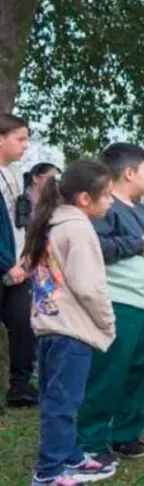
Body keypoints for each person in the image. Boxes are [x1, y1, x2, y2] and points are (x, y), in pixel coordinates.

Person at [77, 143, 144, 462]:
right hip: (118, 303)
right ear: (129, 172)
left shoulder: (140, 211)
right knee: (108, 371)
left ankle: (125, 435)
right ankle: (91, 439)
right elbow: (95, 246)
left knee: (139, 370)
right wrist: (136, 245)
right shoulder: (105, 208)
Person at [23, 160, 119, 486]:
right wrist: (108, 323)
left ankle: (71, 458)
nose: (110, 201)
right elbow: (89, 287)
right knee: (62, 404)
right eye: (106, 195)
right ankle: (47, 477)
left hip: (50, 328)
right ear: (83, 198)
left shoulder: (51, 222)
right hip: (70, 332)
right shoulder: (78, 229)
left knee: (59, 399)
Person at [0, 114, 37, 409]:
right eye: (20, 138)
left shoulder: (13, 175)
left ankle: (20, 387)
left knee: (25, 323)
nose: (25, 145)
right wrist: (4, 265)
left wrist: (26, 257)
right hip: (4, 266)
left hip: (19, 267)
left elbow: (19, 222)